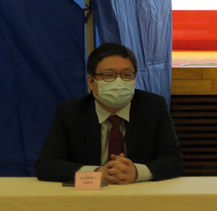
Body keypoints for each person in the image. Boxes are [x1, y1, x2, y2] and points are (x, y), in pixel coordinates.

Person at [36, 42, 182, 183]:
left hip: (139, 194)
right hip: (88, 196)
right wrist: (97, 173)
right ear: (91, 82)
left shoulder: (153, 107)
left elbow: (174, 161)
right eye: (109, 75)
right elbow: (46, 165)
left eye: (126, 75)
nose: (118, 82)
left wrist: (136, 172)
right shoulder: (70, 112)